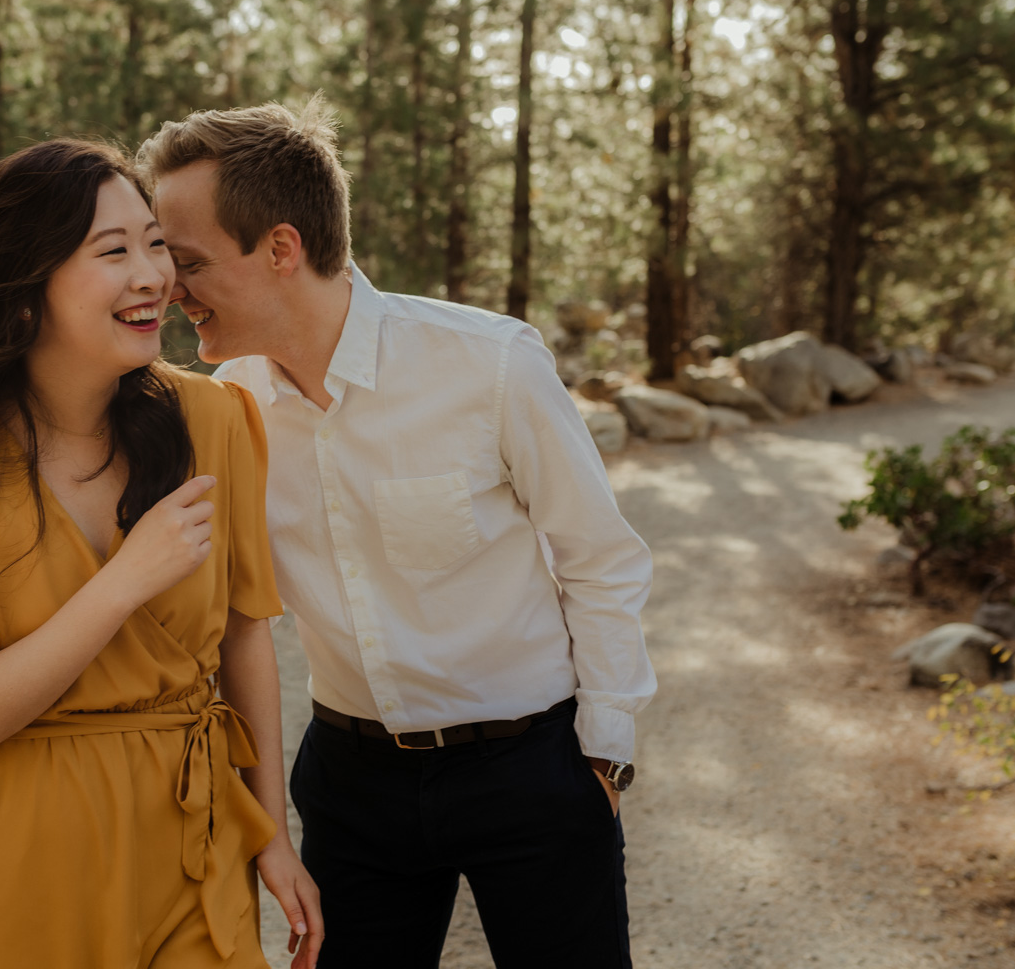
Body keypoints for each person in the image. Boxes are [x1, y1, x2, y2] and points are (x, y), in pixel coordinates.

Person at [138, 98, 655, 969]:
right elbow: (230, 622)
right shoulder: (225, 414)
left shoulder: (490, 364)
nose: (167, 288)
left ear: (281, 248)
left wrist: (603, 760)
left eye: (184, 261)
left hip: (531, 769)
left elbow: (599, 559)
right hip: (351, 789)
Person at [0, 140, 322, 969]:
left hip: (193, 842)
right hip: (21, 861)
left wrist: (271, 834)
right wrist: (126, 580)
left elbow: (247, 638)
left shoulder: (216, 419)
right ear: (28, 285)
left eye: (154, 244)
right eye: (114, 252)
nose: (154, 276)